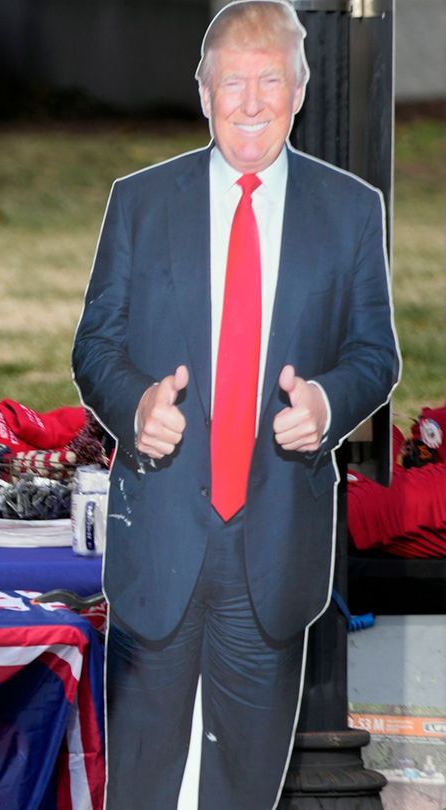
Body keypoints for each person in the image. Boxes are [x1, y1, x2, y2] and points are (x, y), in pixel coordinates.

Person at [71, 1, 399, 805]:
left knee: (245, 788)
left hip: (275, 541)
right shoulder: (141, 203)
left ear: (299, 89)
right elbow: (94, 347)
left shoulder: (352, 210)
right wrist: (134, 407)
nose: (250, 102)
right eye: (232, 83)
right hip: (161, 539)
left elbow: (374, 354)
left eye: (269, 81)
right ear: (203, 90)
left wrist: (326, 404)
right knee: (140, 784)